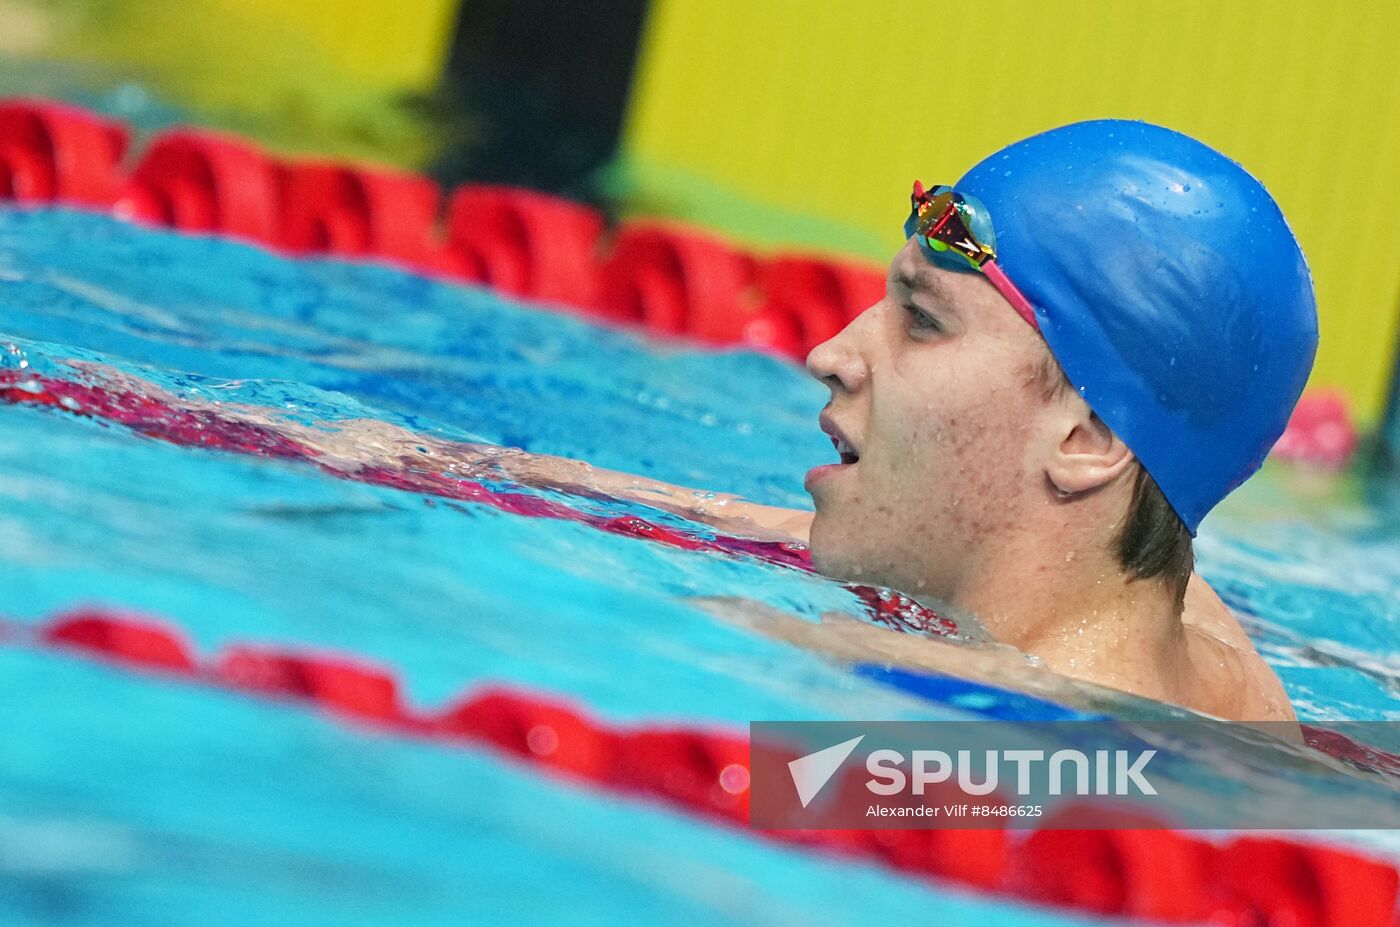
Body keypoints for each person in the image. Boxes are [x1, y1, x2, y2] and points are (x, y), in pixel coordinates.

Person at [68, 120, 1317, 725]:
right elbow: (753, 528)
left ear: (1090, 441)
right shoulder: (1183, 629)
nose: (828, 352)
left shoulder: (957, 747)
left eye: (922, 323)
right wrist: (451, 470)